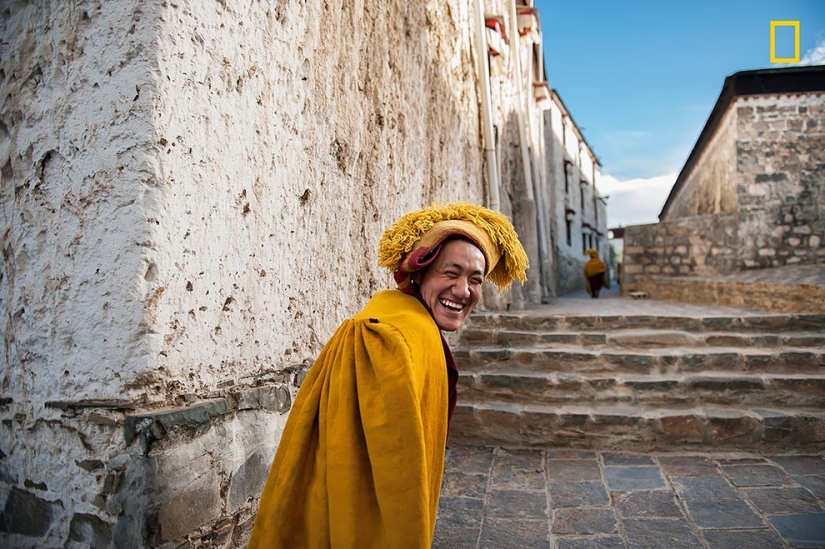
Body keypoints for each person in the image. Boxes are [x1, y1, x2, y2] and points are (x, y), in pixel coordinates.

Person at [248, 202, 528, 549]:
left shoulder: (405, 323)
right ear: (419, 273)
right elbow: (395, 472)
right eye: (450, 273)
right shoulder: (390, 338)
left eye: (475, 279)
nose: (463, 291)